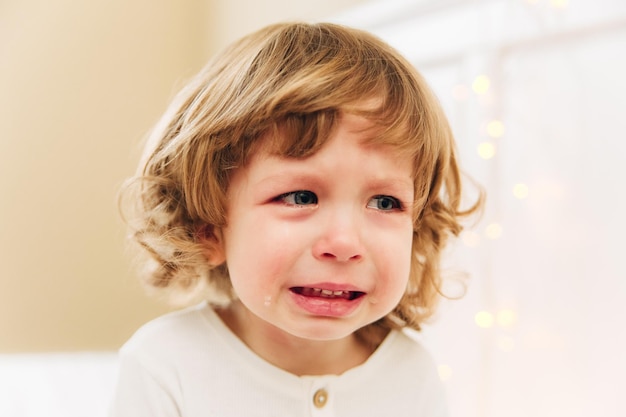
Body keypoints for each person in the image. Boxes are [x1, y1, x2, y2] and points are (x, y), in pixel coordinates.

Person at [110, 22, 482, 417]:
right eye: (300, 197)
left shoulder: (411, 375)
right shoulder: (165, 365)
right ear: (208, 227)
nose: (344, 243)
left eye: (385, 203)